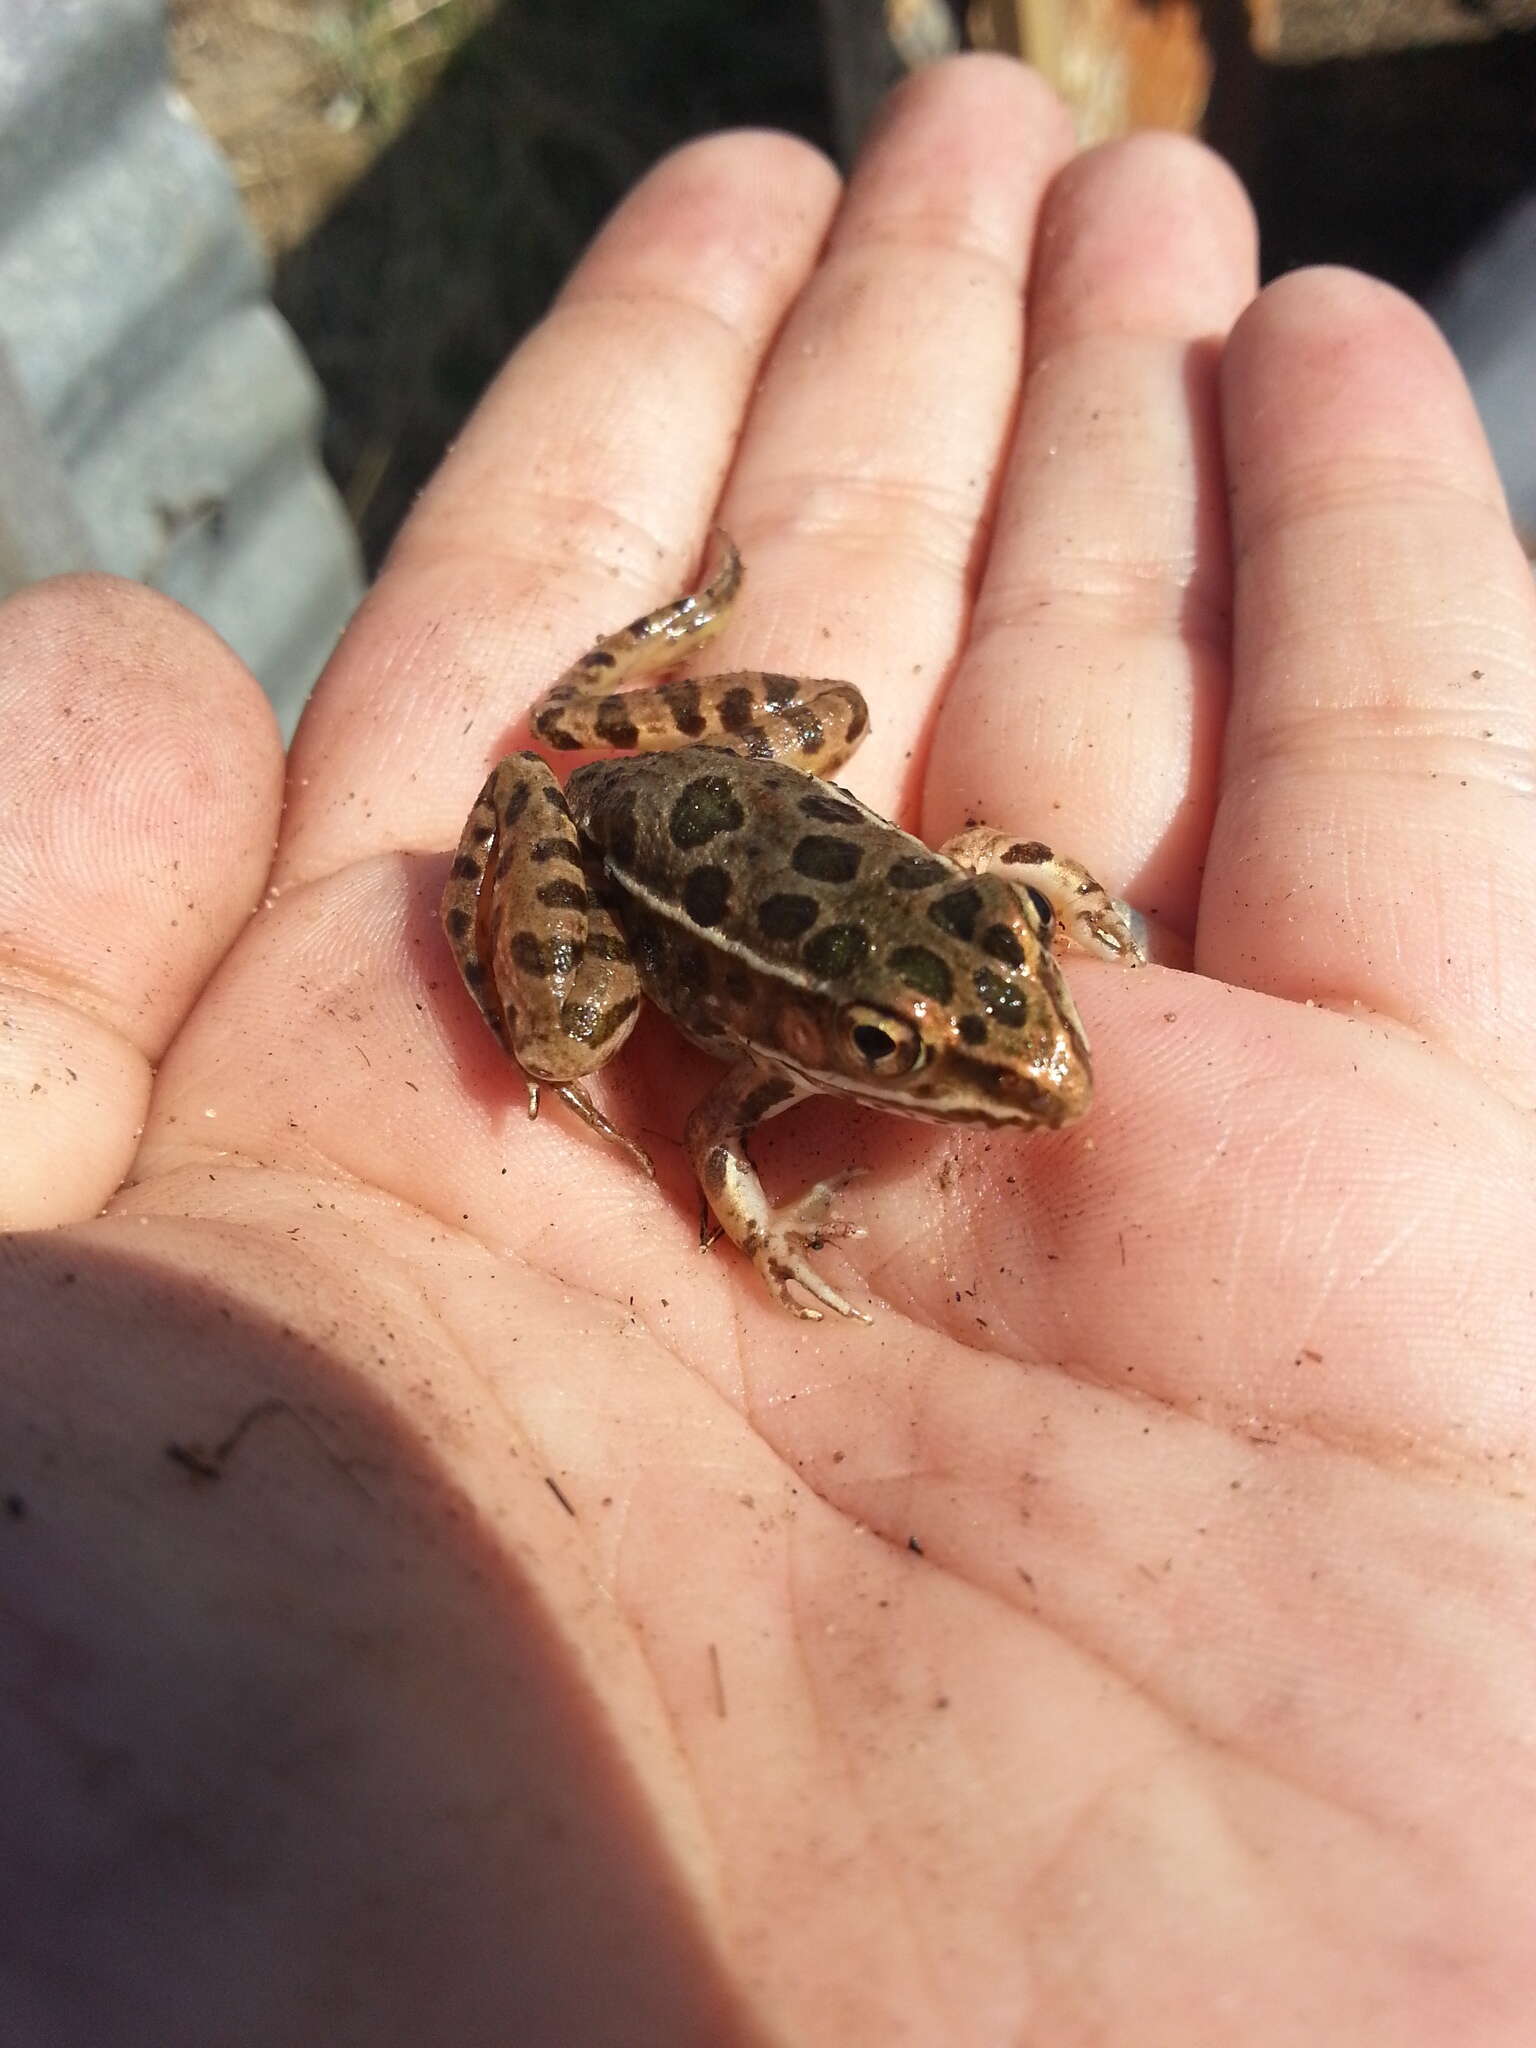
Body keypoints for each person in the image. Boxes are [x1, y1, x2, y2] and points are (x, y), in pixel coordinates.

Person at [2, 54, 1531, 2046]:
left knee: (806, 707)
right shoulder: (769, 1049)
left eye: (986, 1019)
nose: (1016, 1080)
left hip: (726, 796)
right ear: (852, 1041)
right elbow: (721, 1128)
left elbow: (992, 868)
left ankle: (628, 670)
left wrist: (1038, 922)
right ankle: (577, 786)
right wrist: (754, 1236)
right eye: (928, 1049)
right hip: (622, 861)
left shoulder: (966, 939)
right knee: (583, 1022)